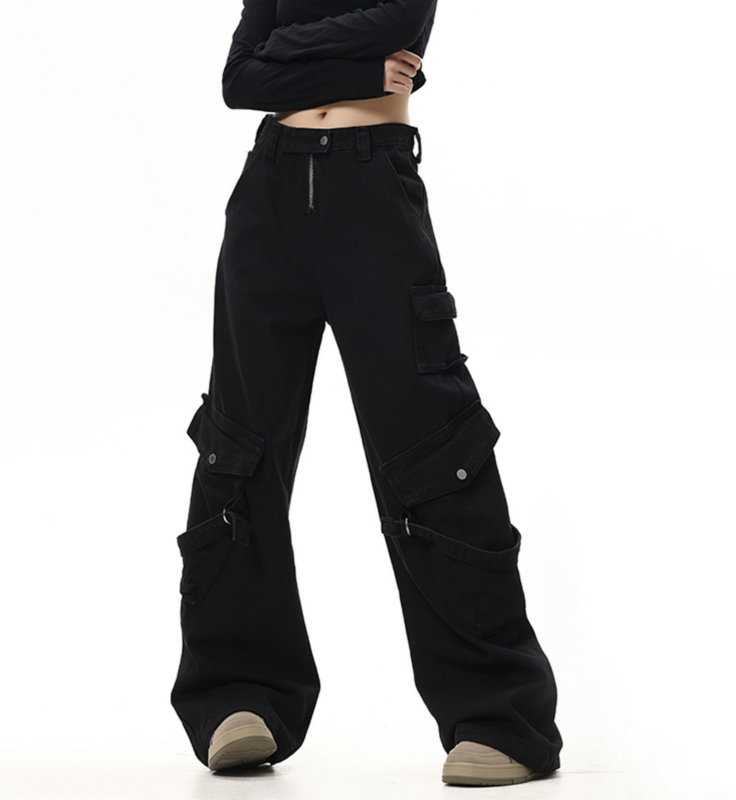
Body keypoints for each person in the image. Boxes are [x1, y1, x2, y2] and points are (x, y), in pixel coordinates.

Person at [170, 0, 563, 787]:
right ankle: (237, 696)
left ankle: (500, 715)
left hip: (372, 189)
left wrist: (292, 53)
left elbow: (397, 23)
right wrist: (355, 68)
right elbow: (240, 81)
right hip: (267, 194)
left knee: (432, 445)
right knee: (237, 445)